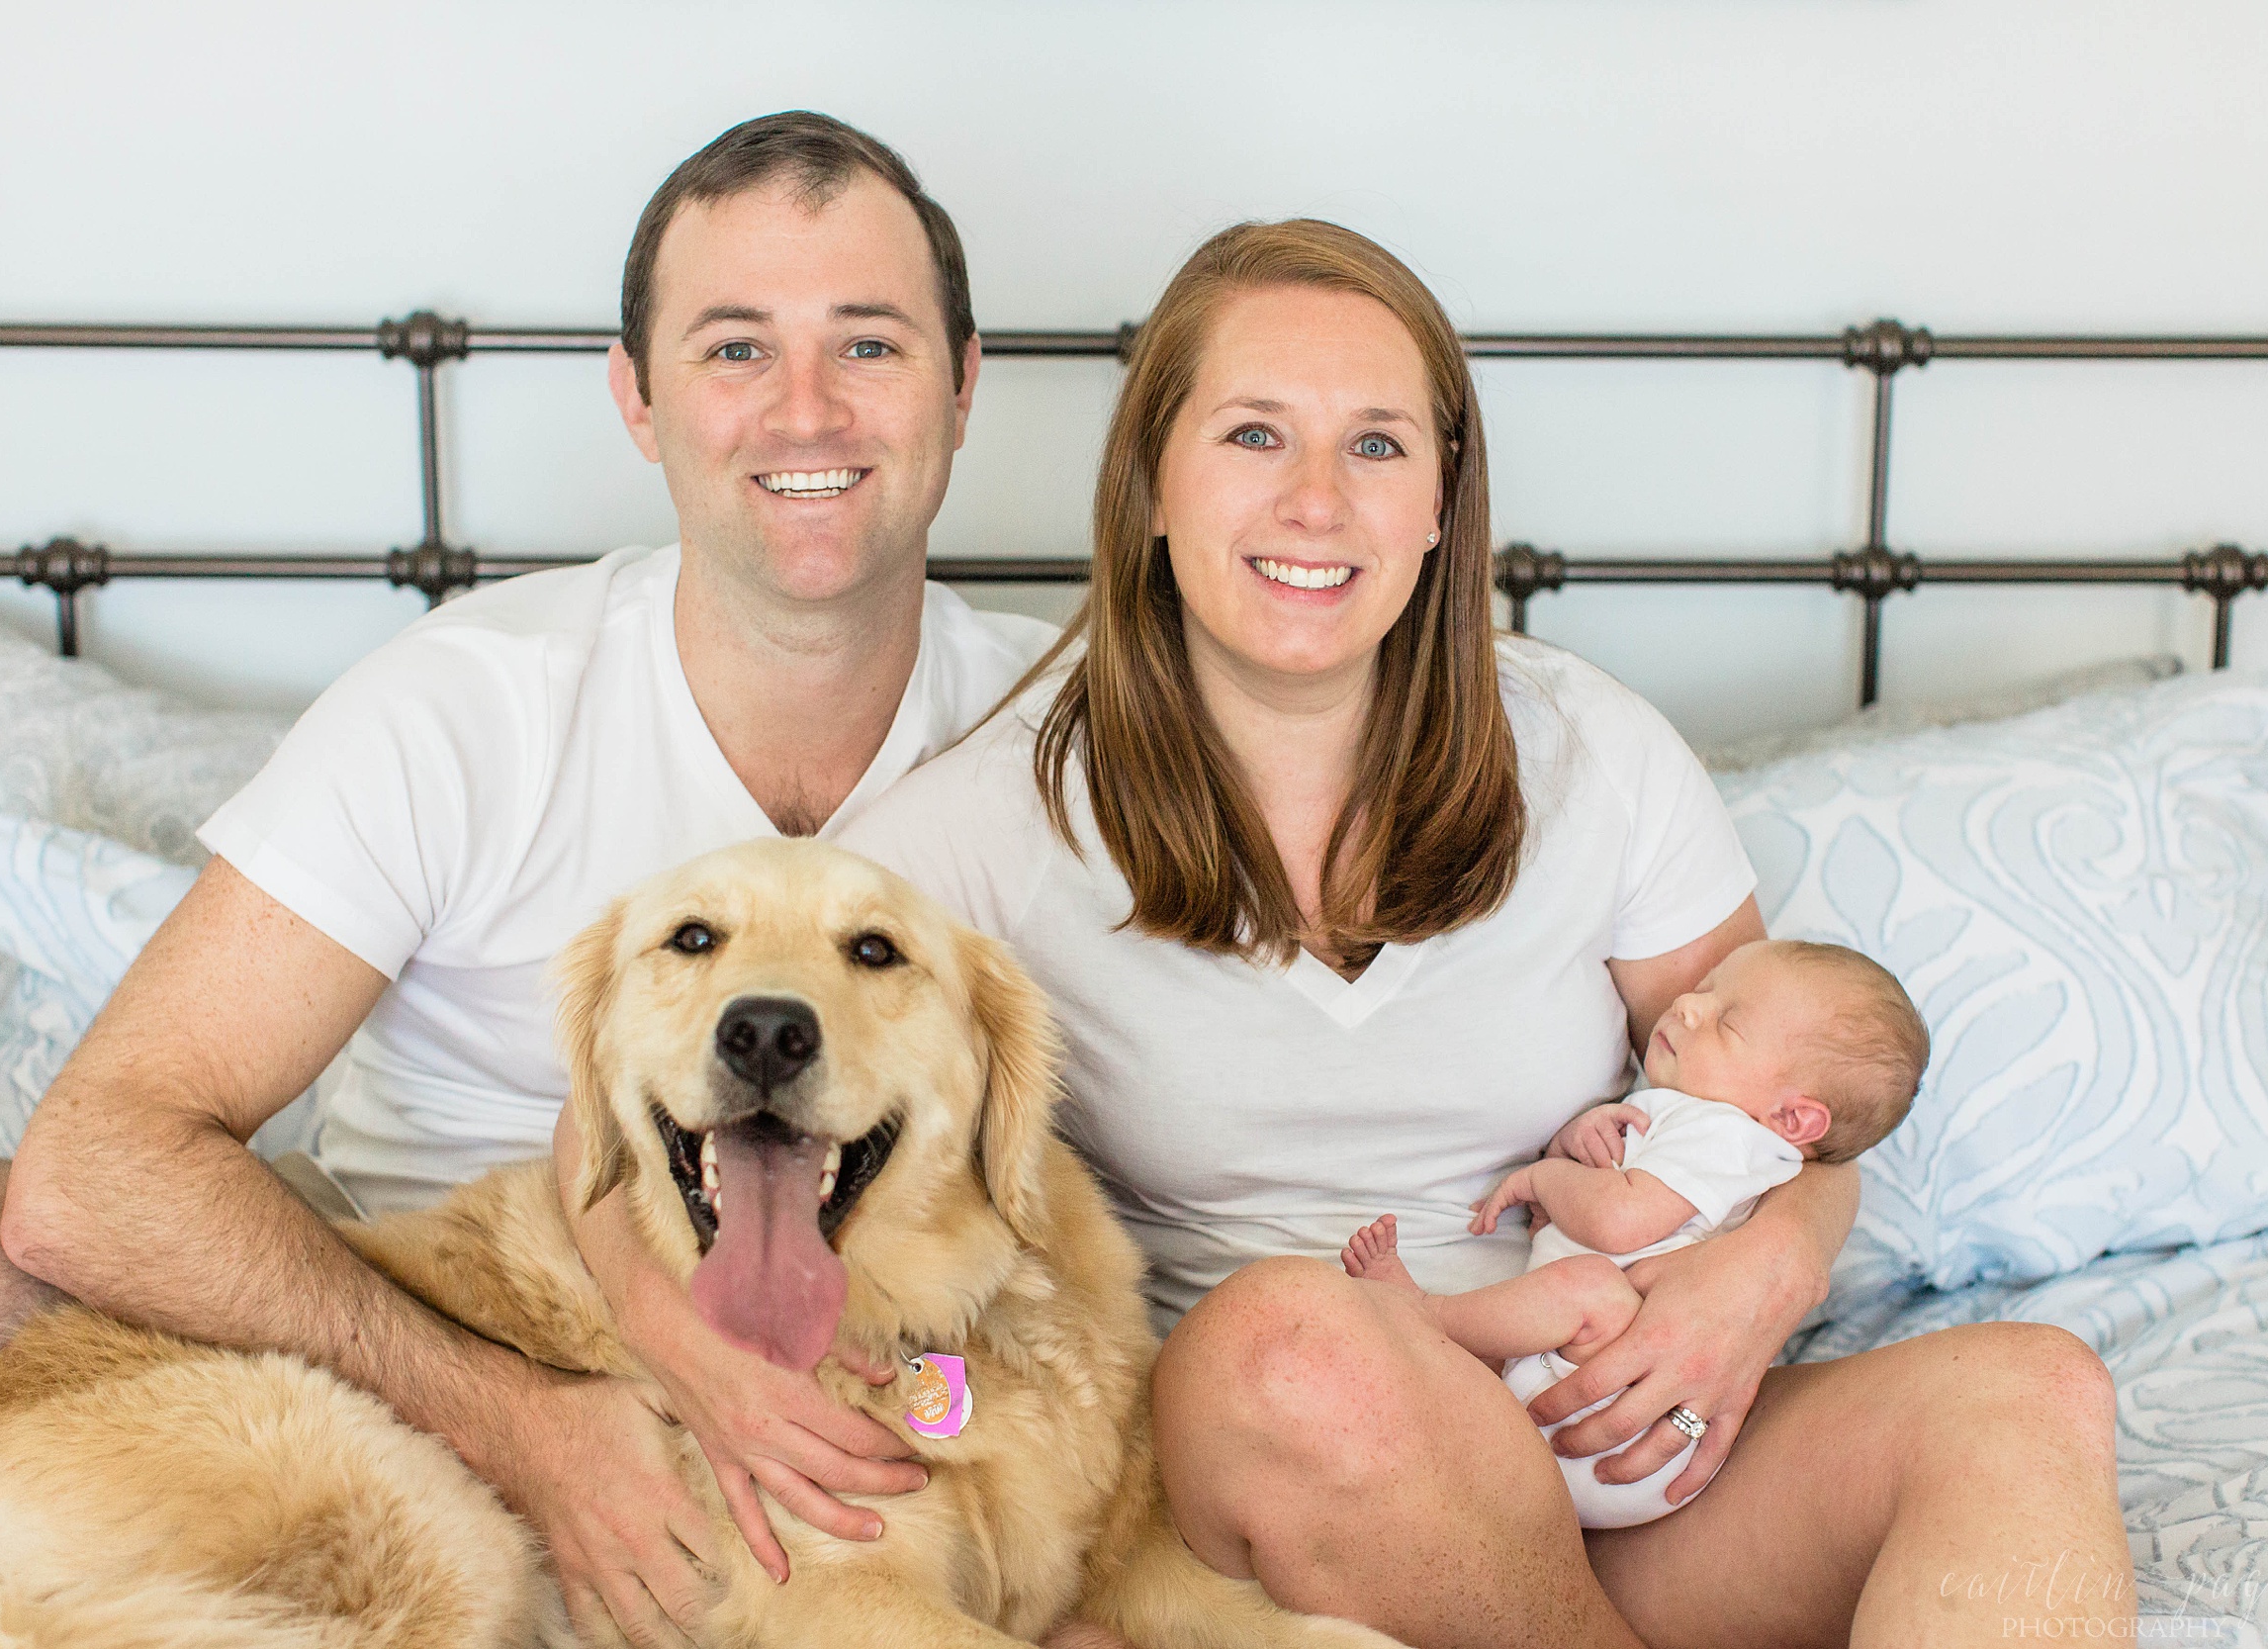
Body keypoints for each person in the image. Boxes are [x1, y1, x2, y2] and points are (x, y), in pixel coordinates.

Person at [567, 216, 2134, 1647]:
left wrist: (1761, 1283)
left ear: (1442, 499)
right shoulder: (973, 834)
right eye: (1254, 434)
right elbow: (613, 1122)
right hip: (1262, 1501)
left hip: (1609, 1460)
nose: (1316, 501)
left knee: (2033, 1388)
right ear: (1153, 485)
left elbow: (1800, 1106)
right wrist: (698, 1357)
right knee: (1291, 1338)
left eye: (1375, 443)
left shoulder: (1594, 747)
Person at [0, 110, 1052, 1648]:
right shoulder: (467, 702)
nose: (805, 408)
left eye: (870, 344)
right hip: (415, 1312)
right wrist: (518, 1417)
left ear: (962, 384)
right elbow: (96, 1162)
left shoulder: (1071, 740)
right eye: (735, 347)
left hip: (856, 1344)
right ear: (638, 398)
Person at [1340, 937, 1929, 1529]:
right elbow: (1628, 1177)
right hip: (1599, 1406)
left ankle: (1421, 1317)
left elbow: (1619, 1220)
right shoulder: (1695, 1116)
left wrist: (1547, 1178)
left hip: (1626, 1415)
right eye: (1704, 988)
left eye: (1727, 1023)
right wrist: (1586, 1140)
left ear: (1792, 1118)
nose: (1688, 1007)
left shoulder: (1729, 1135)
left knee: (1588, 1289)